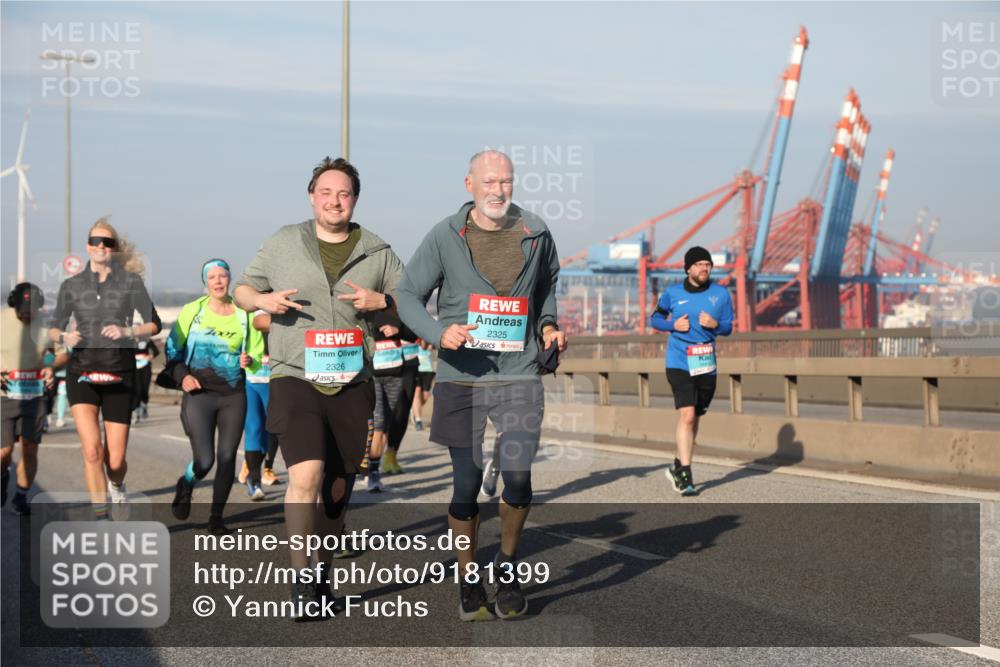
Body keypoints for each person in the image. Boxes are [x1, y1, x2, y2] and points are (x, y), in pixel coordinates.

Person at [396, 150, 566, 621]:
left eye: (506, 181)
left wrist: (548, 324)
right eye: (489, 181)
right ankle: (469, 573)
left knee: (518, 477)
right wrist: (435, 332)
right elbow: (406, 295)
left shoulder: (535, 231)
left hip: (519, 372)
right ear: (469, 183)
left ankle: (507, 566)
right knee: (466, 485)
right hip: (461, 377)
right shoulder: (445, 235)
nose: (498, 190)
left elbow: (548, 284)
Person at [234, 156, 404, 619]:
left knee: (336, 488)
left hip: (352, 382)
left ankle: (323, 571)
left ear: (354, 200)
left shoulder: (377, 250)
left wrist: (381, 301)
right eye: (326, 192)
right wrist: (261, 300)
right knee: (305, 475)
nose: (334, 200)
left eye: (343, 193)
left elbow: (408, 302)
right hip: (295, 374)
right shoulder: (283, 241)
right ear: (312, 196)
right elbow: (243, 291)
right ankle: (300, 578)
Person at [49, 218, 161, 519]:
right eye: (96, 241)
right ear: (88, 246)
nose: (101, 246)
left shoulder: (130, 283)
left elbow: (154, 323)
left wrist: (128, 333)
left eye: (107, 242)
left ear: (114, 249)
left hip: (119, 374)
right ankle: (100, 515)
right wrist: (64, 336)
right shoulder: (71, 286)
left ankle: (118, 485)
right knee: (91, 451)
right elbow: (52, 329)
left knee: (115, 460)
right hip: (81, 373)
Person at [166, 259, 262, 534]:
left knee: (228, 457)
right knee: (205, 461)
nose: (218, 281)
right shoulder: (192, 312)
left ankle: (216, 517)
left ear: (230, 279)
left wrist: (250, 359)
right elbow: (173, 352)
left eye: (223, 276)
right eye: (213, 277)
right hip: (199, 394)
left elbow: (255, 354)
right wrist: (183, 376)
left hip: (233, 395)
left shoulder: (244, 315)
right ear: (205, 283)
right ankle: (186, 483)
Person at [649, 245, 734, 496]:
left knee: (694, 416)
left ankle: (677, 464)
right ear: (688, 269)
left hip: (705, 362)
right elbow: (654, 319)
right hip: (678, 361)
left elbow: (729, 327)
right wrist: (672, 324)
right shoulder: (672, 293)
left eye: (707, 264)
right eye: (699, 264)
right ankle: (685, 474)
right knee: (687, 415)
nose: (704, 268)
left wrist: (716, 324)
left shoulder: (721, 294)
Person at [1, 283, 61, 514]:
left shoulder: (46, 325)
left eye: (31, 308)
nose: (27, 313)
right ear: (13, 304)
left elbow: (55, 354)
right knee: (4, 453)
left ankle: (21, 497)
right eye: (22, 309)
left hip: (34, 395)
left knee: (30, 449)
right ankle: (3, 474)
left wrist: (49, 367)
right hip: (4, 395)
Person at [237, 310, 277, 498]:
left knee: (275, 429)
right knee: (254, 428)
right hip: (252, 378)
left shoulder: (284, 303)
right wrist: (241, 357)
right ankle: (254, 480)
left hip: (278, 379)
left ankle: (265, 467)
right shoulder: (246, 310)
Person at [132, 336, 159, 423]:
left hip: (145, 367)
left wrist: (150, 356)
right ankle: (136, 412)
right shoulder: (129, 341)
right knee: (137, 390)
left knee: (144, 390)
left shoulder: (146, 340)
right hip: (134, 368)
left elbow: (156, 351)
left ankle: (144, 405)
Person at [411, 339, 436, 431]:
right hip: (416, 368)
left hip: (428, 369)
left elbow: (435, 347)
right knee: (417, 392)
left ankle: (414, 409)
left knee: (425, 396)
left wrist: (431, 346)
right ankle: (418, 420)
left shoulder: (428, 338)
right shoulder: (414, 337)